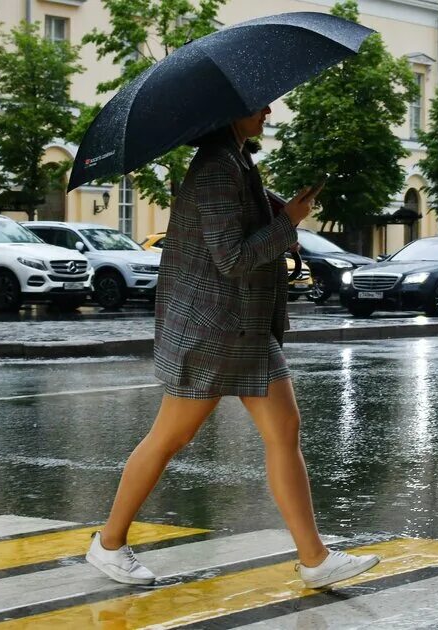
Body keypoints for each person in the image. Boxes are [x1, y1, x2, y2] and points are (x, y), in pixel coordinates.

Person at [85, 105, 379, 589]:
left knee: (285, 429)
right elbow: (231, 257)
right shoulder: (216, 169)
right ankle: (109, 543)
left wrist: (283, 216)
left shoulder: (239, 162)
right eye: (257, 104)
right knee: (169, 438)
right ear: (228, 112)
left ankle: (314, 558)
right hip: (211, 328)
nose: (268, 110)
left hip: (244, 327)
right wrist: (289, 223)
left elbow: (249, 227)